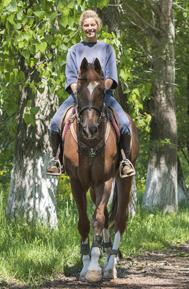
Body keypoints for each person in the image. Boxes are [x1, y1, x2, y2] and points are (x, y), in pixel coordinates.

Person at [46, 10, 135, 178]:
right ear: (81, 27)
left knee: (124, 123)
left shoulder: (107, 49)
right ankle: (56, 160)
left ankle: (124, 161)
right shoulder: (74, 50)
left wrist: (101, 91)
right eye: (86, 25)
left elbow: (110, 77)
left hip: (103, 96)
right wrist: (79, 94)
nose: (90, 28)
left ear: (98, 26)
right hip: (78, 97)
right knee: (54, 122)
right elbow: (71, 78)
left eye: (92, 25)